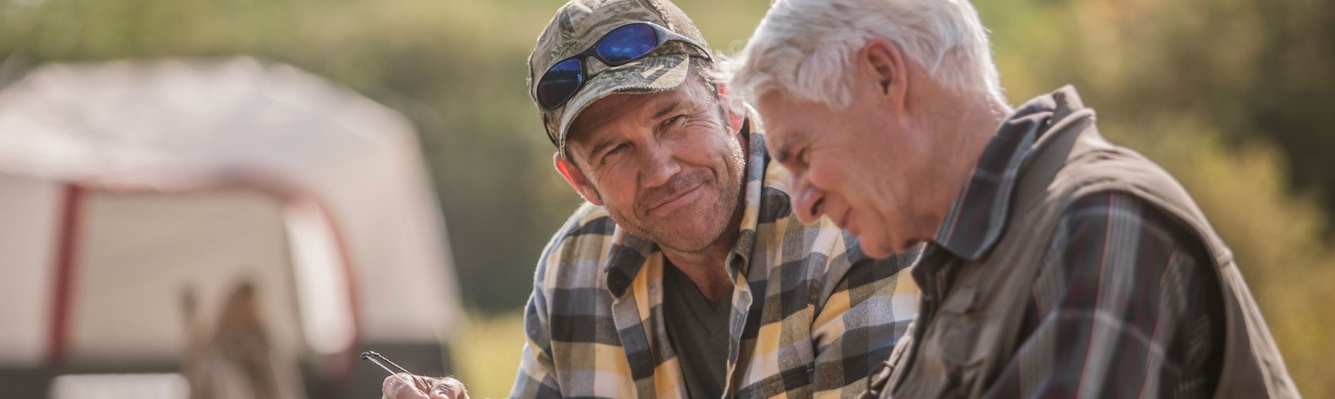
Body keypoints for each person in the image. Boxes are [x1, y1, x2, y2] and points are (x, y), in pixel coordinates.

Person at [723, 0, 1300, 397]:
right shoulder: (967, 261)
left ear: (884, 76)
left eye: (800, 154)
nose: (802, 202)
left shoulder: (1100, 223)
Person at [381, 0, 919, 398]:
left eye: (674, 120)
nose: (660, 169)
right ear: (581, 182)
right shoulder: (571, 271)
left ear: (729, 106)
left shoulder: (849, 223)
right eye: (615, 151)